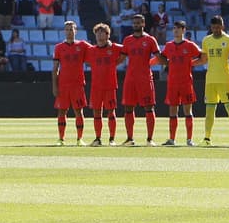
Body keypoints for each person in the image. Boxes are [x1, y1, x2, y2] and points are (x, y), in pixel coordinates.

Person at [199, 16, 229, 146]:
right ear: (211, 27)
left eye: (218, 27)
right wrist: (187, 63)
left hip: (225, 79)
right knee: (209, 110)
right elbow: (203, 59)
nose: (216, 29)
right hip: (210, 80)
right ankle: (207, 139)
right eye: (214, 27)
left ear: (222, 26)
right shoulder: (206, 41)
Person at [157, 20, 200, 146]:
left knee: (188, 111)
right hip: (172, 83)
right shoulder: (169, 45)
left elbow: (202, 56)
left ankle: (189, 139)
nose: (175, 30)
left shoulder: (190, 45)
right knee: (172, 111)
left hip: (186, 82)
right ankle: (171, 139)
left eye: (178, 28)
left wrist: (191, 64)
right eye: (174, 28)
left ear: (183, 30)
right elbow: (162, 57)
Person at [121, 13, 161, 146]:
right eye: (135, 23)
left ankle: (150, 139)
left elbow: (158, 57)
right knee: (128, 108)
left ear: (143, 24)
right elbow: (121, 58)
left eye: (139, 23)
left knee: (149, 108)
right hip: (130, 78)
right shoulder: (127, 40)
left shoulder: (150, 40)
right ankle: (129, 138)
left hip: (145, 78)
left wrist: (153, 63)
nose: (136, 25)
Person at [85, 23, 125, 146]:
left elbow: (125, 53)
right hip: (96, 86)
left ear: (108, 35)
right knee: (96, 112)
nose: (99, 35)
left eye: (102, 32)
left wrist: (115, 63)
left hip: (110, 85)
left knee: (111, 112)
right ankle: (98, 138)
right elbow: (88, 62)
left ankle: (112, 139)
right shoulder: (91, 50)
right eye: (97, 32)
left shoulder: (115, 48)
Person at [52, 21, 90, 145]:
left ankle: (80, 139)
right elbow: (55, 68)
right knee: (62, 111)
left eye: (71, 29)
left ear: (76, 31)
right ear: (64, 31)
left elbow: (96, 51)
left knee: (79, 111)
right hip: (63, 85)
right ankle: (61, 138)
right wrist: (54, 85)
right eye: (67, 29)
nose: (69, 32)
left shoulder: (83, 45)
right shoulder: (59, 47)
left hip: (78, 84)